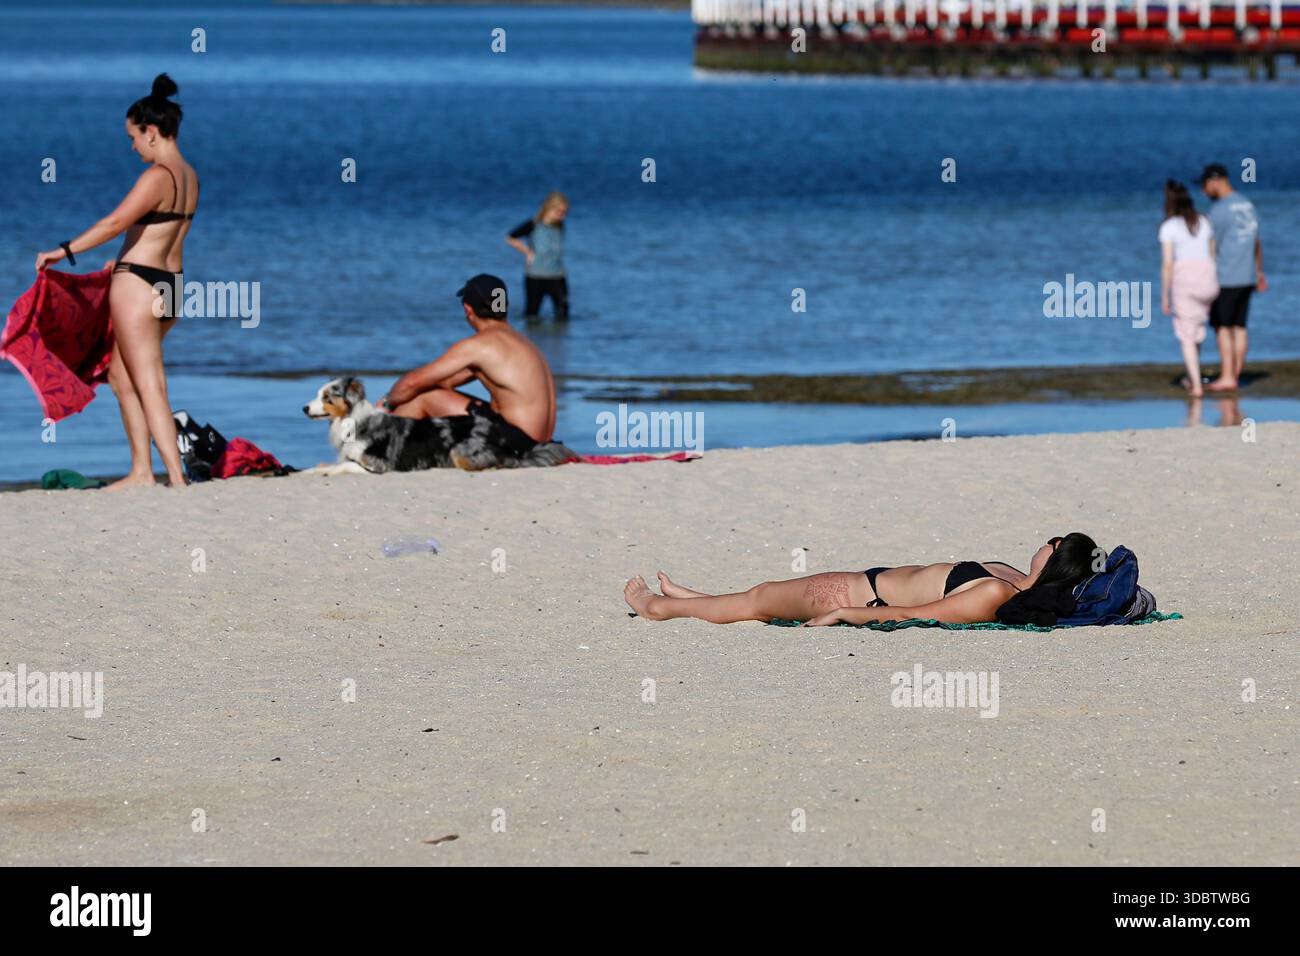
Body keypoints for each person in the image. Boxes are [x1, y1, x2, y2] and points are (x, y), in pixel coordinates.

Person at [35, 73, 197, 489]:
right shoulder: (189, 176)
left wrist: (64, 250)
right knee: (121, 377)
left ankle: (176, 479)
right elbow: (156, 234)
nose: (133, 146)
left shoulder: (157, 176)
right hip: (172, 286)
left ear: (152, 131)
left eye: (134, 137)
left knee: (149, 383)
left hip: (138, 286)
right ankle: (142, 472)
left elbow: (116, 221)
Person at [623, 534, 1099, 627]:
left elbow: (919, 615)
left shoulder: (998, 593)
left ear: (1055, 557)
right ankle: (702, 598)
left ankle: (658, 607)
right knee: (759, 596)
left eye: (1053, 540)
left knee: (761, 599)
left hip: (860, 594)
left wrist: (847, 613)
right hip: (866, 581)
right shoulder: (1012, 579)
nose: (1043, 539)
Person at [381, 274, 558, 443]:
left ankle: (381, 447)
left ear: (468, 309)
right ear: (504, 306)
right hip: (541, 441)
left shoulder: (479, 345)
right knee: (423, 389)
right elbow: (446, 381)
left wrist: (388, 403)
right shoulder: (523, 343)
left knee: (423, 396)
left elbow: (410, 384)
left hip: (519, 442)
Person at [1201, 164, 1266, 392]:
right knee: (1240, 326)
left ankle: (1228, 376)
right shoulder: (1247, 204)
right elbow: (1257, 241)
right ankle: (1235, 373)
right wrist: (1259, 271)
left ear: (1215, 181)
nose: (1204, 191)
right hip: (1248, 274)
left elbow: (1209, 246)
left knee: (1222, 327)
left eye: (1205, 185)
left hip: (1226, 276)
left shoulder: (1219, 210)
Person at [1159, 180, 1218, 398]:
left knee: (1186, 335)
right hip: (1209, 279)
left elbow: (1167, 264)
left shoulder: (1169, 227)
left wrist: (1164, 295)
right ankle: (1194, 376)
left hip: (1185, 281)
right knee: (1198, 330)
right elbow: (1213, 254)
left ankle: (1196, 385)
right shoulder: (1205, 220)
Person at [506, 191, 569, 319]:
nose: (562, 216)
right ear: (549, 208)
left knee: (563, 311)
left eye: (565, 212)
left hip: (557, 274)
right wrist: (527, 252)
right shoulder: (534, 224)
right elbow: (510, 238)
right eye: (560, 212)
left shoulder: (560, 225)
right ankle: (532, 337)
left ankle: (560, 338)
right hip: (535, 275)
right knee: (532, 313)